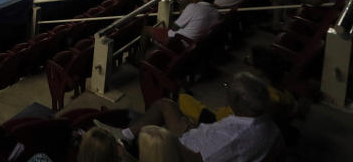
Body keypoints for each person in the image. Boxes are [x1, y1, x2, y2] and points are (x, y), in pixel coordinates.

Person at [95, 71, 282, 162]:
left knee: (151, 134)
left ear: (236, 100)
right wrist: (196, 129)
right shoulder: (269, 126)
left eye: (229, 90)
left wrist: (169, 137)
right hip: (197, 136)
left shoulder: (232, 139)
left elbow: (199, 159)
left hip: (184, 150)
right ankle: (125, 135)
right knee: (165, 104)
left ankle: (121, 145)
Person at [144, 0, 221, 46]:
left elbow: (174, 28)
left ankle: (139, 60)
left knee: (146, 30)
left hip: (180, 41)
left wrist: (182, 7)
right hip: (196, 42)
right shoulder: (216, 12)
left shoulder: (193, 7)